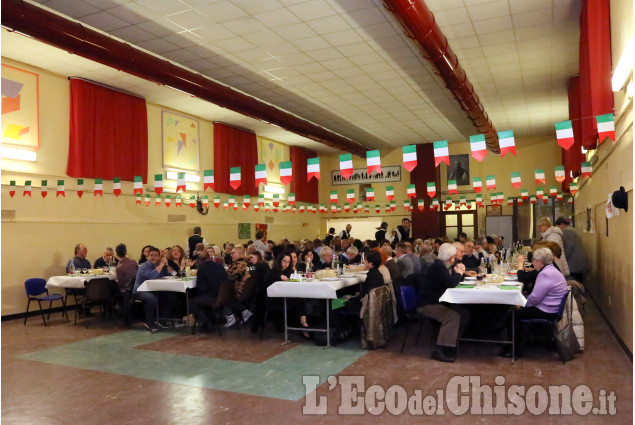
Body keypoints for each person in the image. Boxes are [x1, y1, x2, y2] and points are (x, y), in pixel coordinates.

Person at [502, 247, 568, 358]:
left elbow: (535, 299)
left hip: (547, 310)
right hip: (552, 307)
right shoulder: (551, 270)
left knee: (512, 314)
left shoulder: (545, 274)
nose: (532, 262)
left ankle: (514, 350)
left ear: (540, 262)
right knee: (515, 309)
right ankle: (517, 343)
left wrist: (522, 305)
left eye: (533, 260)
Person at [417, 243, 470, 362]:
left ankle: (452, 342)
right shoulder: (438, 267)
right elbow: (451, 283)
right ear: (451, 258)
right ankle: (440, 349)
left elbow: (450, 282)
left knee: (465, 314)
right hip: (427, 304)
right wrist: (459, 273)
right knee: (453, 317)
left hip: (437, 301)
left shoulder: (441, 265)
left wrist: (459, 274)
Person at [187, 251, 228, 332]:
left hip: (212, 297)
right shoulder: (220, 266)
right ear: (209, 257)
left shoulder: (202, 270)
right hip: (223, 295)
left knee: (191, 301)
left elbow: (201, 289)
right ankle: (213, 318)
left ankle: (205, 322)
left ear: (199, 260)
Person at [133, 246, 170, 333]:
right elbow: (152, 277)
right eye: (151, 255)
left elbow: (168, 275)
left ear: (159, 257)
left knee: (169, 296)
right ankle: (149, 322)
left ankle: (161, 319)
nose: (153, 257)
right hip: (140, 290)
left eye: (156, 255)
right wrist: (161, 264)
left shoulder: (158, 265)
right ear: (148, 256)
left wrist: (166, 264)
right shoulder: (143, 266)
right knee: (151, 298)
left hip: (155, 289)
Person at [555, 217, 587, 282]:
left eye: (558, 226)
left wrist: (562, 257)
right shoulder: (573, 230)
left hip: (573, 264)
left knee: (574, 284)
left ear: (562, 224)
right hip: (579, 263)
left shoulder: (566, 232)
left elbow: (569, 248)